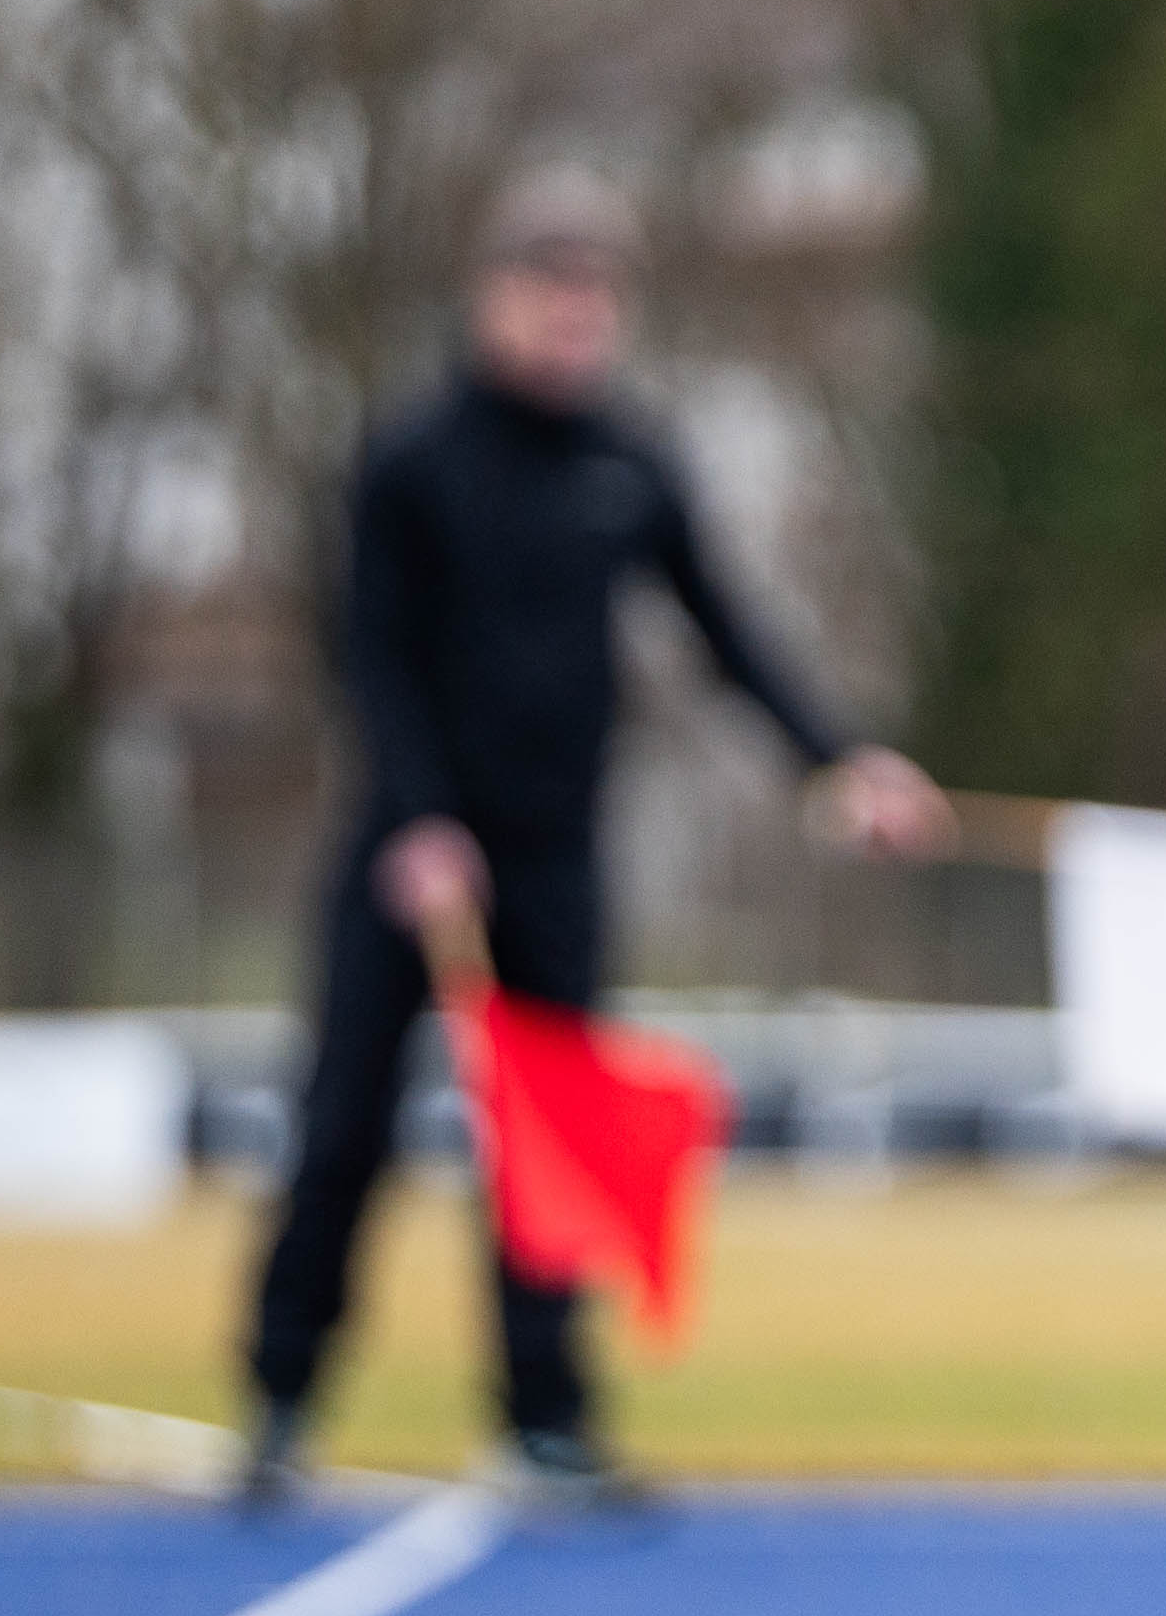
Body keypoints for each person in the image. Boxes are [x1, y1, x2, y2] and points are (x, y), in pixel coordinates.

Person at [236, 168, 948, 1509]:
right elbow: (372, 657)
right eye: (552, 291)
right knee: (344, 1128)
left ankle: (546, 1421)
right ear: (493, 296)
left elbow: (726, 629)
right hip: (414, 855)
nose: (577, 318)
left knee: (552, 1146)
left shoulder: (629, 463)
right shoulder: (413, 460)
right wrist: (421, 818)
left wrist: (840, 763)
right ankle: (280, 1397)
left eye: (597, 297)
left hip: (555, 855)